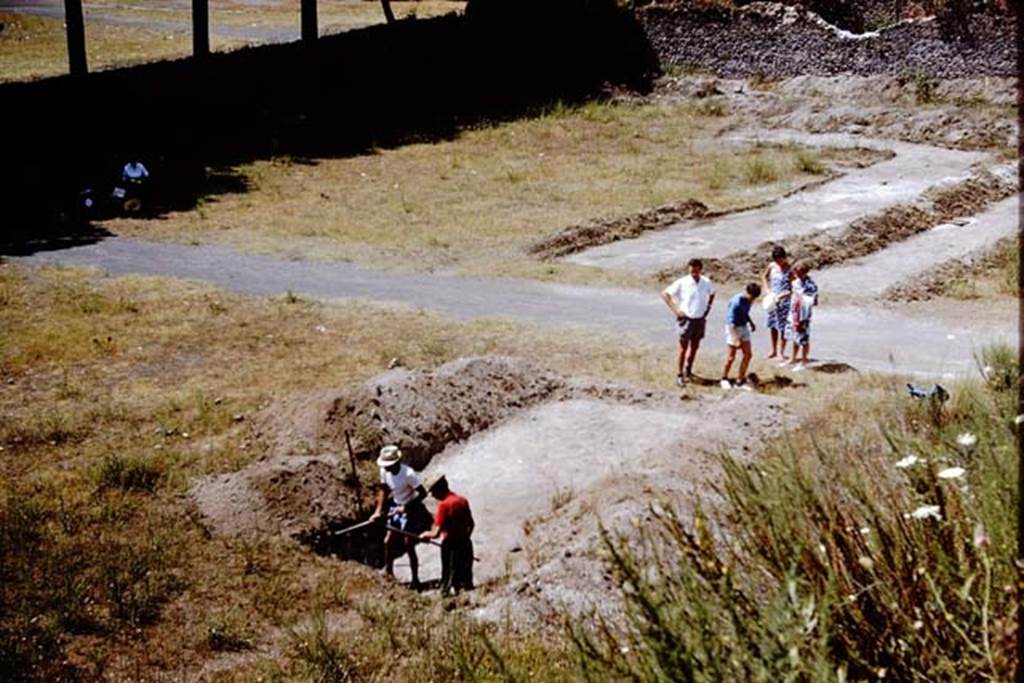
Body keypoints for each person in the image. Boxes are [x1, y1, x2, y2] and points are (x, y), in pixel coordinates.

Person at [370, 445, 432, 588]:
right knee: (388, 541)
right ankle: (389, 572)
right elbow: (383, 491)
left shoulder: (408, 474)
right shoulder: (384, 471)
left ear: (396, 463)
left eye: (388, 465)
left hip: (410, 508)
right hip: (395, 506)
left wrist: (407, 507)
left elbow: (422, 493)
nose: (385, 468)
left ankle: (415, 579)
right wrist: (378, 511)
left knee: (408, 545)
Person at [661, 258, 716, 386]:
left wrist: (708, 307)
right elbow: (665, 294)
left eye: (696, 271)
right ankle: (679, 375)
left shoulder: (706, 282)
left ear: (700, 270)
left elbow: (712, 293)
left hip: (699, 319)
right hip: (686, 319)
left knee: (695, 347)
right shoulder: (683, 282)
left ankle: (688, 370)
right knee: (683, 348)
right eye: (692, 271)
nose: (694, 274)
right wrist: (676, 310)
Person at [420, 473, 475, 596]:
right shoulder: (462, 500)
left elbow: (436, 534)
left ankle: (448, 599)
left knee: (449, 574)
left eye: (433, 492)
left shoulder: (444, 506)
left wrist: (424, 535)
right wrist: (465, 538)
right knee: (466, 575)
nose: (432, 496)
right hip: (466, 544)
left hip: (450, 546)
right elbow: (471, 525)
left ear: (439, 489)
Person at [721, 283, 761, 389]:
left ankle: (740, 379)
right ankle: (724, 378)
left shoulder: (749, 301)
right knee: (731, 357)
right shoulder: (736, 302)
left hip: (743, 327)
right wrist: (735, 339)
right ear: (747, 293)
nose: (752, 300)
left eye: (754, 298)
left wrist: (750, 322)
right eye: (752, 297)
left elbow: (745, 312)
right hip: (734, 329)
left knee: (748, 355)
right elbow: (731, 324)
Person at [783, 260, 819, 370]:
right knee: (794, 336)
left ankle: (803, 361)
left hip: (803, 314)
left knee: (803, 337)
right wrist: (781, 296)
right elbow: (792, 293)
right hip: (793, 312)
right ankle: (793, 358)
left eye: (799, 272)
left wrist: (803, 301)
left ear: (804, 272)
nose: (796, 274)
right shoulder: (796, 281)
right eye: (796, 271)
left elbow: (814, 301)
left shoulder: (810, 285)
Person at [762, 245, 791, 361]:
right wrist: (766, 289)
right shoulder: (772, 266)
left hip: (784, 300)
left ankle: (781, 352)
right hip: (773, 299)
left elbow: (793, 286)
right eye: (776, 260)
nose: (779, 262)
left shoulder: (790, 268)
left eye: (780, 259)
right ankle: (773, 350)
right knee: (773, 326)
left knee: (783, 327)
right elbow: (764, 276)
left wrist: (785, 294)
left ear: (784, 257)